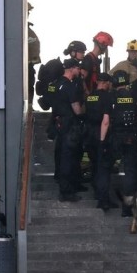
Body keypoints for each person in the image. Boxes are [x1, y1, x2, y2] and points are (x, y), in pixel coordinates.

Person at [51, 59, 86, 203]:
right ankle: (66, 191)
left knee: (63, 155)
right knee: (69, 158)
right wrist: (86, 109)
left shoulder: (55, 84)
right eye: (78, 68)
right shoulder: (70, 86)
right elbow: (77, 110)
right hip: (70, 125)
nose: (80, 71)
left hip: (59, 123)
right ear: (72, 68)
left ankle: (72, 185)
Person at [110, 70, 137, 217]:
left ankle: (107, 199)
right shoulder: (134, 96)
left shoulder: (110, 96)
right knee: (130, 169)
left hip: (113, 137)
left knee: (106, 168)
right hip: (131, 137)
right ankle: (127, 206)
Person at [83, 69, 115, 210]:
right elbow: (106, 120)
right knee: (103, 168)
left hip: (89, 134)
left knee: (95, 165)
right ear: (106, 83)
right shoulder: (107, 97)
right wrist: (102, 140)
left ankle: (97, 192)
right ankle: (103, 199)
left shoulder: (90, 97)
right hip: (100, 134)